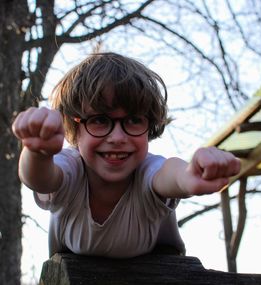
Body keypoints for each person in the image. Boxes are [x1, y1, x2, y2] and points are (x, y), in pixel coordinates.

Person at [12, 52, 240, 258]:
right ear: (74, 129)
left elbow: (169, 173)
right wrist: (37, 153)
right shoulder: (72, 167)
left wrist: (190, 175)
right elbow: (40, 178)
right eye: (100, 120)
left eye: (133, 120)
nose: (118, 137)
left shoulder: (146, 172)